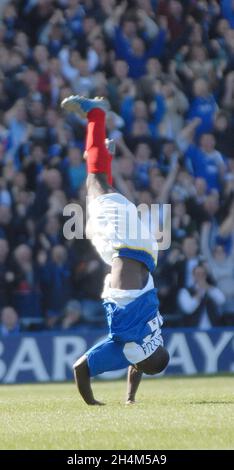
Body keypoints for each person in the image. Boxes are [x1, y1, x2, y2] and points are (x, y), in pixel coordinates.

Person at [61, 95, 169, 405]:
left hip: (145, 251)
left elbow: (140, 365)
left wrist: (130, 399)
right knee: (94, 185)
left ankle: (102, 157)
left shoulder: (154, 334)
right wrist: (91, 403)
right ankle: (96, 114)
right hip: (126, 249)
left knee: (99, 190)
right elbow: (79, 368)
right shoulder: (127, 350)